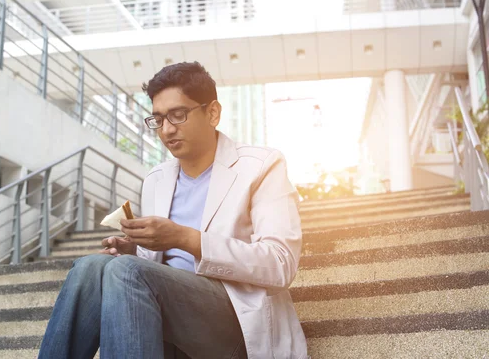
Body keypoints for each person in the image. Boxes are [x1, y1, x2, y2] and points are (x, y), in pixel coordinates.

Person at [37, 62, 307, 359]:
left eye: (178, 115)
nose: (166, 130)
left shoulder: (261, 166)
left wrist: (184, 238)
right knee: (91, 267)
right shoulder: (156, 179)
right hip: (167, 322)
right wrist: (134, 251)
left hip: (238, 323)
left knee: (127, 272)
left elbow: (281, 263)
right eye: (157, 119)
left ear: (213, 113)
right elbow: (152, 271)